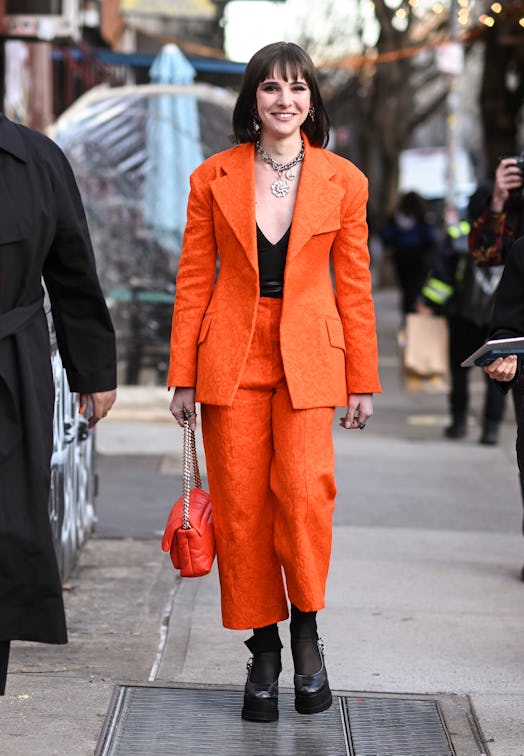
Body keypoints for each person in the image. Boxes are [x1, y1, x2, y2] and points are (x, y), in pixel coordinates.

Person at [168, 42, 381, 722]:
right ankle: (263, 650)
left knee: (303, 497)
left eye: (295, 88)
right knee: (239, 509)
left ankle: (308, 631)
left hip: (309, 358)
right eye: (269, 88)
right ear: (252, 99)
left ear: (312, 98)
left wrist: (363, 379)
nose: (283, 100)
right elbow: (194, 281)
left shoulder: (344, 180)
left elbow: (354, 285)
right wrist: (180, 376)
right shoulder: (212, 177)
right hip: (230, 356)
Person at [0, 113, 117, 696]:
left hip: (10, 377)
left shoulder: (36, 160)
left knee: (4, 531)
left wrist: (92, 372)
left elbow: (72, 270)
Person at [417, 189, 506, 444]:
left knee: (459, 373)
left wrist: (429, 303)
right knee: (497, 376)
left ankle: (458, 423)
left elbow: (442, 275)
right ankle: (490, 430)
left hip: (462, 317)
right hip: (499, 321)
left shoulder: (459, 234)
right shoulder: (509, 235)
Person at [381, 191, 437, 319]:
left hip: (402, 260)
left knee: (406, 291)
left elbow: (387, 236)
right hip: (419, 260)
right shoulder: (423, 217)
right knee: (415, 291)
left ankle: (407, 317)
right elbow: (431, 238)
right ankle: (412, 317)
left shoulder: (396, 218)